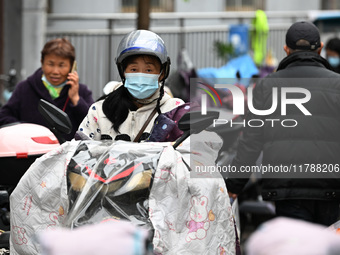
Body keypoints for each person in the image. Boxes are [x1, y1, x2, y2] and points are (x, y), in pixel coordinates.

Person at [225, 21, 340, 226]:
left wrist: (233, 185)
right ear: (320, 48)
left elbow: (251, 141)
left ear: (286, 50)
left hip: (288, 192)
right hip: (333, 191)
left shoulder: (267, 87)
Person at [78, 30, 184, 141]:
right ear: (123, 71)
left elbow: (189, 152)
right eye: (134, 69)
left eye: (148, 70)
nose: (140, 76)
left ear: (162, 73)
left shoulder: (175, 111)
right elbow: (80, 151)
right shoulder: (100, 111)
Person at [0, 38, 94, 141]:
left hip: (69, 155)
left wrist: (76, 99)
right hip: (33, 153)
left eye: (61, 65)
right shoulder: (24, 88)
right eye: (50, 64)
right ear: (42, 62)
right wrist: (26, 130)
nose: (55, 71)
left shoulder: (82, 91)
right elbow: (4, 117)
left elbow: (92, 126)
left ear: (72, 67)